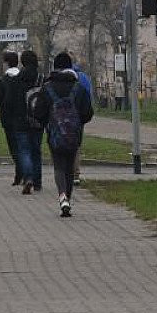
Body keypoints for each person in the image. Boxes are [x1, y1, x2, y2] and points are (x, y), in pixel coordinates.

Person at [31, 52, 94, 217]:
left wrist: (47, 122)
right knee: (70, 168)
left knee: (58, 166)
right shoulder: (78, 88)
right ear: (70, 67)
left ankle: (62, 197)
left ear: (55, 67)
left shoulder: (47, 88)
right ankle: (68, 200)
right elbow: (88, 112)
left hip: (55, 133)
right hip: (74, 134)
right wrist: (77, 122)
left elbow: (38, 112)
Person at [3, 50, 44, 195]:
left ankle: (28, 178)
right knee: (36, 151)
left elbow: (8, 102)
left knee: (24, 150)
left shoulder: (16, 80)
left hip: (20, 121)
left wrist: (11, 117)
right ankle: (38, 182)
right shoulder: (41, 79)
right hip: (37, 121)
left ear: (23, 63)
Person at [0, 51, 24, 186]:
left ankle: (20, 173)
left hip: (8, 119)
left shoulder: (2, 81)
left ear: (6, 64)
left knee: (14, 148)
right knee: (24, 146)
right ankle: (25, 173)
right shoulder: (23, 78)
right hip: (23, 117)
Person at [70, 62, 94, 185]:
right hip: (78, 119)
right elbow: (89, 97)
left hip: (62, 120)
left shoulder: (60, 80)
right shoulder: (84, 78)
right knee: (77, 146)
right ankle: (76, 174)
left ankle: (66, 173)